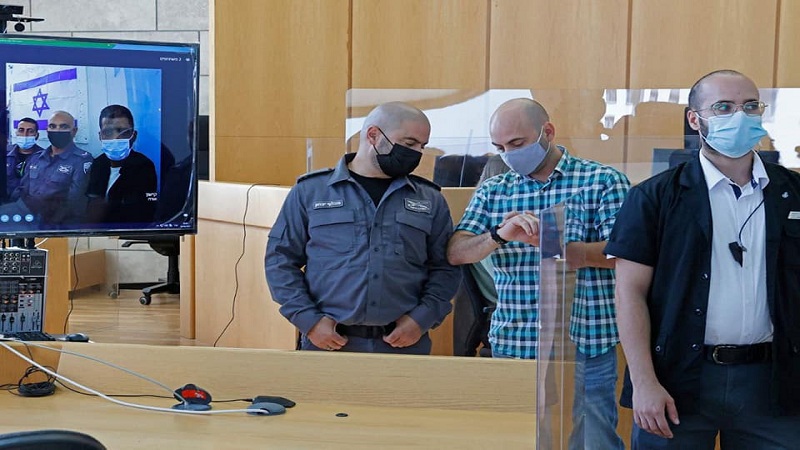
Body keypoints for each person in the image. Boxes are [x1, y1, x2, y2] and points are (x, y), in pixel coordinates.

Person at [606, 69, 800, 449]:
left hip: (774, 381)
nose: (739, 116)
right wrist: (644, 382)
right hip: (679, 379)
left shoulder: (792, 192)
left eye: (750, 106)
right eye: (723, 107)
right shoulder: (654, 197)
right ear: (695, 120)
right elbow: (629, 293)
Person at [447, 98, 629, 450]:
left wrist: (555, 246)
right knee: (519, 440)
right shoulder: (494, 189)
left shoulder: (602, 181)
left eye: (517, 143)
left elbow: (622, 253)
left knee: (593, 441)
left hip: (585, 341)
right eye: (500, 147)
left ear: (548, 132)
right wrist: (499, 235)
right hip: (515, 341)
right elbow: (457, 252)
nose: (508, 155)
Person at [265, 102, 460, 355]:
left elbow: (446, 268)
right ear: (373, 135)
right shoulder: (310, 191)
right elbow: (280, 260)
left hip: (404, 343)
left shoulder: (429, 199)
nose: (416, 153)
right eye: (409, 143)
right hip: (328, 342)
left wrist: (421, 319)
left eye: (422, 146)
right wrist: (308, 320)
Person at [7, 110, 93, 225]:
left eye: (63, 127)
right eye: (53, 126)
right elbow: (22, 190)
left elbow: (73, 200)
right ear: (47, 130)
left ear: (74, 131)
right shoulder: (36, 157)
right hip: (27, 218)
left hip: (56, 225)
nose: (57, 130)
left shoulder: (81, 160)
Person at [86, 105, 158, 225]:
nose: (115, 138)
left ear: (133, 136)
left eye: (123, 132)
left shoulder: (144, 166)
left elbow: (143, 212)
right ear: (100, 136)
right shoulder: (98, 163)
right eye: (108, 132)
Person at [5, 117, 44, 199]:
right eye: (21, 130)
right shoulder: (4, 152)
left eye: (30, 131)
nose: (25, 135)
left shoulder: (45, 157)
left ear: (36, 135)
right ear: (16, 132)